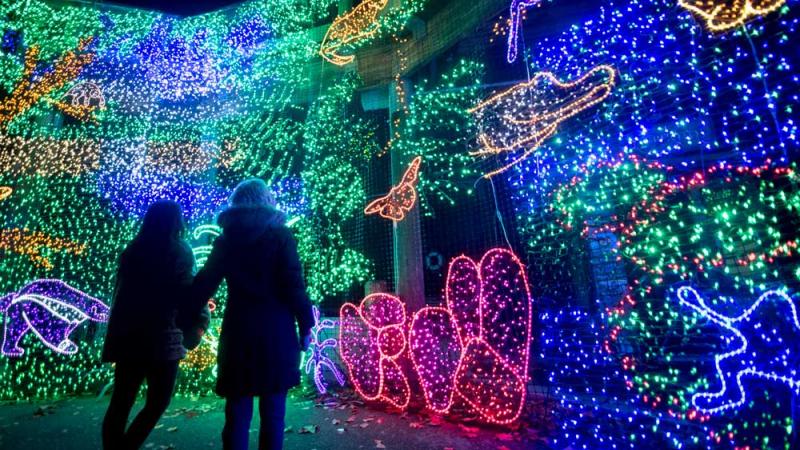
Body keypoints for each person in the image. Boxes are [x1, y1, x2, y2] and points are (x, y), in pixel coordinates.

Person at [192, 178, 314, 450]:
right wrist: (307, 324)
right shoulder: (281, 236)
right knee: (273, 414)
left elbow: (205, 282)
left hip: (239, 333)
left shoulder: (226, 241)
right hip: (277, 333)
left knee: (236, 414)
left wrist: (184, 316)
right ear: (266, 201)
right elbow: (294, 285)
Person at [101, 200, 195, 450]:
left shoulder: (134, 250)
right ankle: (127, 446)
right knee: (158, 400)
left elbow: (121, 296)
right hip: (163, 336)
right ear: (177, 221)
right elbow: (186, 291)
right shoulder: (179, 251)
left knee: (122, 400)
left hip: (129, 336)